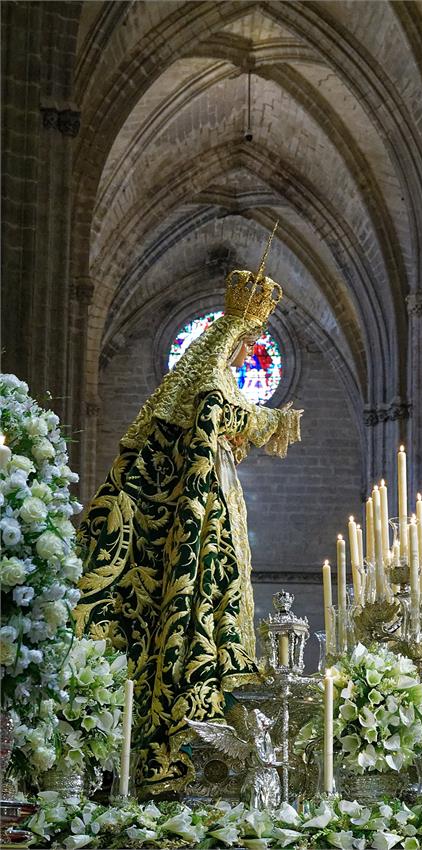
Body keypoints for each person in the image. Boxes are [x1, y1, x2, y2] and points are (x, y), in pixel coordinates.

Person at [74, 244, 302, 796]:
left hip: (211, 508)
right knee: (194, 604)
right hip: (193, 526)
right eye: (245, 343)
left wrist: (248, 428)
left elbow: (217, 420)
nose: (246, 353)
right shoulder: (206, 378)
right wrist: (271, 417)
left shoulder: (205, 380)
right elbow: (212, 410)